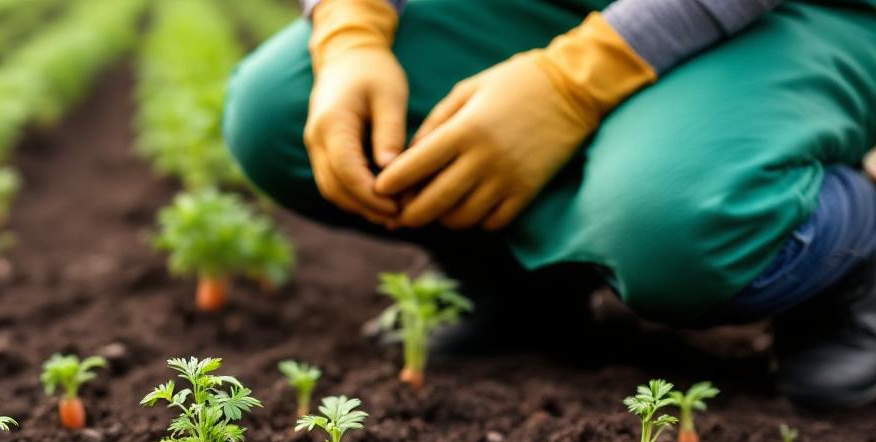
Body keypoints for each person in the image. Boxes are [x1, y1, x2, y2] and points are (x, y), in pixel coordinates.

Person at [224, 0, 876, 408]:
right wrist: (352, 28)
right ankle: (521, 283)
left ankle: (850, 253)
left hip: (800, 12)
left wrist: (574, 83)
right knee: (281, 108)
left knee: (673, 228)